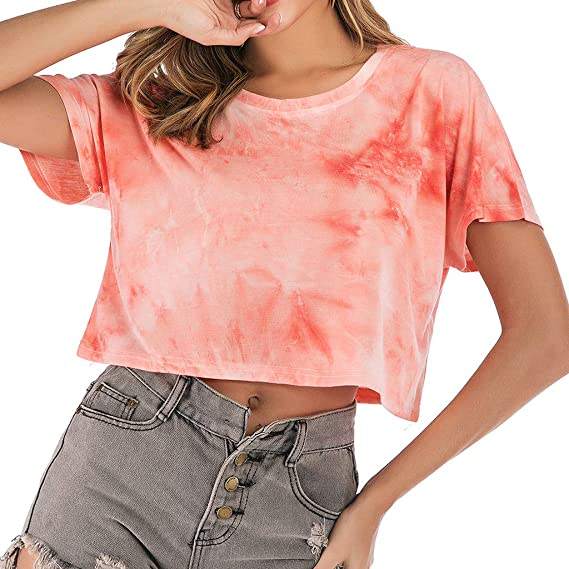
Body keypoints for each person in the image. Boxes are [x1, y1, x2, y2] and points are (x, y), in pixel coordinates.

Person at [1, 0, 568, 567]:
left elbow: (545, 336)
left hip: (297, 501)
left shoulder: (431, 92)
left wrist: (376, 502)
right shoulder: (164, 104)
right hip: (122, 471)